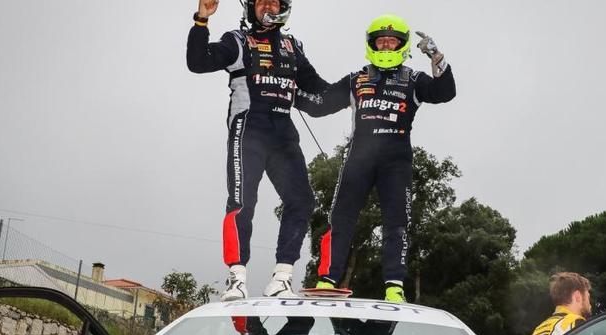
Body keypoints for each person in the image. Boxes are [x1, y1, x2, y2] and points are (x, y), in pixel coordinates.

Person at [296, 14, 456, 302]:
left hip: (396, 161)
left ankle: (394, 285)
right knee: (340, 218)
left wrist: (436, 57)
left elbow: (446, 93)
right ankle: (328, 280)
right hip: (359, 158)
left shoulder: (414, 79)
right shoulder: (357, 79)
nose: (385, 47)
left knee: (397, 221)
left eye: (391, 42)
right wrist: (288, 92)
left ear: (402, 45)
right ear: (372, 44)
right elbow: (319, 105)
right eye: (380, 41)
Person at [187, 0, 329, 301]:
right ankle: (236, 278)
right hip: (248, 130)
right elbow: (197, 62)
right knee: (241, 201)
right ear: (250, 7)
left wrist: (355, 90)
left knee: (302, 200)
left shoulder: (293, 46)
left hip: (283, 136)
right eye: (261, 0)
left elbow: (318, 88)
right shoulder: (237, 41)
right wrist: (201, 20)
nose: (267, 5)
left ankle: (282, 277)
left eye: (274, 0)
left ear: (284, 7)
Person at [528, 272, 592, 335]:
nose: (590, 304)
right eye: (588, 297)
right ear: (577, 297)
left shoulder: (537, 330)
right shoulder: (576, 323)